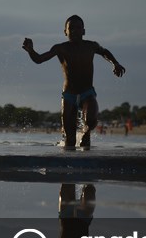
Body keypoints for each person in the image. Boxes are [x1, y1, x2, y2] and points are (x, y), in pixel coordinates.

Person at [22, 15, 125, 150]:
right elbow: (40, 59)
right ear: (65, 32)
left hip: (87, 93)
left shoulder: (90, 46)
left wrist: (115, 63)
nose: (75, 31)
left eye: (78, 28)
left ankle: (86, 135)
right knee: (70, 140)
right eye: (71, 28)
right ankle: (68, 168)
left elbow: (104, 51)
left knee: (91, 121)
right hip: (69, 95)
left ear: (83, 31)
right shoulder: (60, 48)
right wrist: (31, 51)